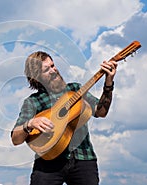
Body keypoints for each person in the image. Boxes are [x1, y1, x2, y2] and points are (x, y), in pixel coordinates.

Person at [11, 51, 117, 185]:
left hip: (83, 158)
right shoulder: (33, 102)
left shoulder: (76, 89)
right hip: (47, 162)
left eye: (53, 65)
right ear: (37, 78)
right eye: (47, 69)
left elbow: (101, 112)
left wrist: (108, 83)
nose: (53, 70)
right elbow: (16, 139)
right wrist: (30, 123)